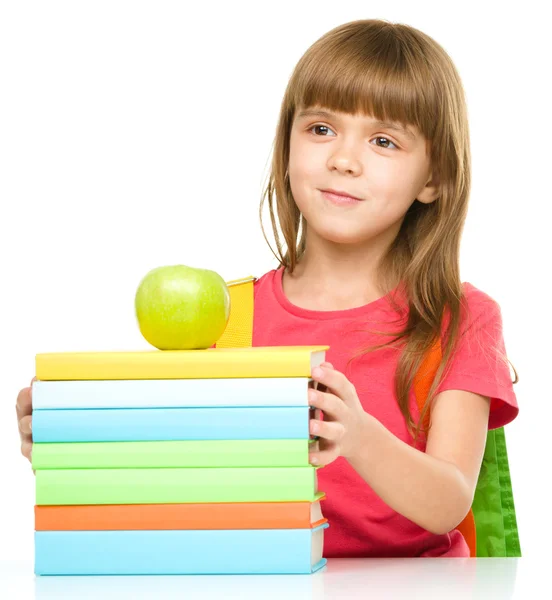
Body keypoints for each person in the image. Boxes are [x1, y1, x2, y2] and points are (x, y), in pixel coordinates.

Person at [16, 18, 519, 558]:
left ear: (434, 178)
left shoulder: (458, 318)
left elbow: (448, 503)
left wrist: (358, 436)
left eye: (382, 140)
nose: (342, 160)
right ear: (287, 145)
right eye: (321, 128)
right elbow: (181, 477)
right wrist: (73, 438)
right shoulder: (224, 318)